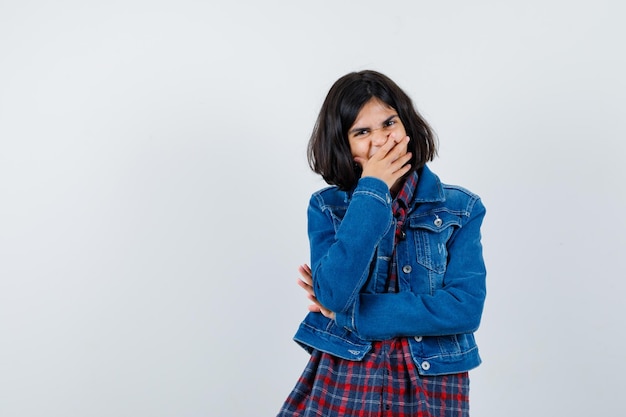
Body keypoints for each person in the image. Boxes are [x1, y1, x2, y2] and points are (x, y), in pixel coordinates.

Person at [277, 70, 487, 417]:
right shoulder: (328, 207)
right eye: (362, 132)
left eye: (389, 123)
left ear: (408, 126)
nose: (382, 140)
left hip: (430, 382)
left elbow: (464, 308)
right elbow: (332, 294)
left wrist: (356, 314)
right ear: (343, 144)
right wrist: (372, 190)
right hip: (345, 378)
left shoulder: (460, 208)